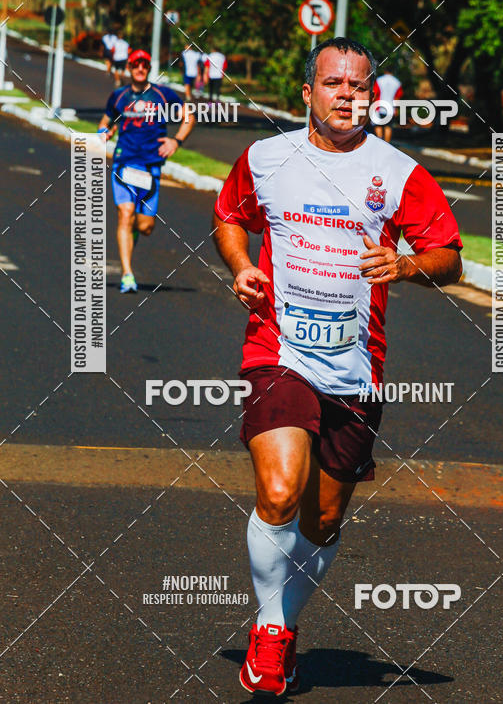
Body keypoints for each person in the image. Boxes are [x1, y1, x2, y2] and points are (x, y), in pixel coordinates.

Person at [212, 37, 462, 696]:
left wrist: (408, 265)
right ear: (307, 93)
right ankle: (269, 635)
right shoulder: (266, 159)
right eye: (333, 83)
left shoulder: (399, 172)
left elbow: (448, 254)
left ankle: (284, 628)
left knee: (322, 520)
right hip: (279, 354)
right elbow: (230, 218)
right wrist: (241, 266)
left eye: (359, 85)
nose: (347, 95)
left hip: (356, 370)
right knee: (279, 491)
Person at [97, 49, 196, 293]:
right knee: (125, 212)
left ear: (148, 68)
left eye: (144, 64)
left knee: (145, 226)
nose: (140, 68)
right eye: (135, 64)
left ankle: (133, 232)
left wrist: (177, 141)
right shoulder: (119, 96)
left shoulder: (163, 94)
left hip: (150, 167)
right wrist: (104, 133)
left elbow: (188, 117)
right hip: (124, 162)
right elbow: (105, 121)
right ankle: (127, 274)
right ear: (129, 67)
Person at [372, 67, 403, 143]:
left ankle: (379, 143)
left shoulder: (379, 80)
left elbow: (375, 93)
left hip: (379, 107)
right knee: (388, 127)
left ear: (385, 71)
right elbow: (397, 97)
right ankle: (387, 144)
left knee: (378, 125)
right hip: (390, 109)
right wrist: (396, 109)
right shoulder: (397, 82)